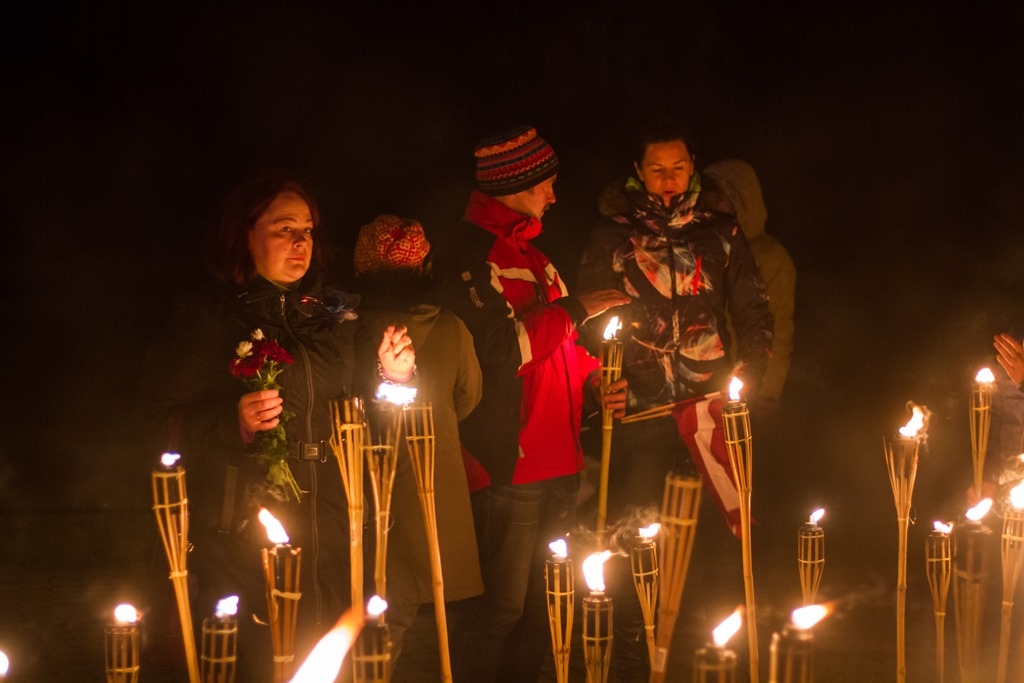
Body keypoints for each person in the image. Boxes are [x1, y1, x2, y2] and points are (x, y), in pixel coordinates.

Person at [133, 169, 415, 682]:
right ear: (245, 234)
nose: (301, 242)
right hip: (246, 529)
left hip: (334, 518)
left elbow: (364, 414)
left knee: (335, 653)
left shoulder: (330, 317)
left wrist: (392, 377)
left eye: (307, 229)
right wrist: (232, 423)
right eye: (285, 228)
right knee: (265, 658)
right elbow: (156, 424)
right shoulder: (209, 316)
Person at [431, 124, 630, 683]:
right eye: (547, 182)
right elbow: (500, 353)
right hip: (508, 466)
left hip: (561, 462)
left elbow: (559, 350)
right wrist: (575, 308)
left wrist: (595, 383)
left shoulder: (537, 258)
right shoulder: (470, 256)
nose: (554, 195)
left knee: (545, 609)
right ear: (516, 183)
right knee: (498, 612)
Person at [576, 127, 774, 682]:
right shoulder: (611, 235)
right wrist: (596, 381)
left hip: (706, 410)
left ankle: (703, 657)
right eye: (657, 168)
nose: (669, 179)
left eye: (679, 167)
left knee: (708, 543)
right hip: (636, 413)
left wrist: (749, 374)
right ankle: (635, 658)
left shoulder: (720, 230)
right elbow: (589, 322)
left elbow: (754, 308)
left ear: (693, 167)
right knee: (635, 540)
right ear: (638, 171)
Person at [350, 214, 485, 672]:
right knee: (400, 617)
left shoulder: (346, 332)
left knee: (369, 611)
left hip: (363, 489)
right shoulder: (451, 328)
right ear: (425, 268)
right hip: (432, 486)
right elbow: (469, 398)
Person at [700, 158, 796, 418]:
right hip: (714, 383)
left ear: (742, 200)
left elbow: (779, 325)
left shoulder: (768, 255)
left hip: (751, 386)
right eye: (706, 198)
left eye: (719, 198)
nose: (711, 207)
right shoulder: (709, 252)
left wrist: (768, 391)